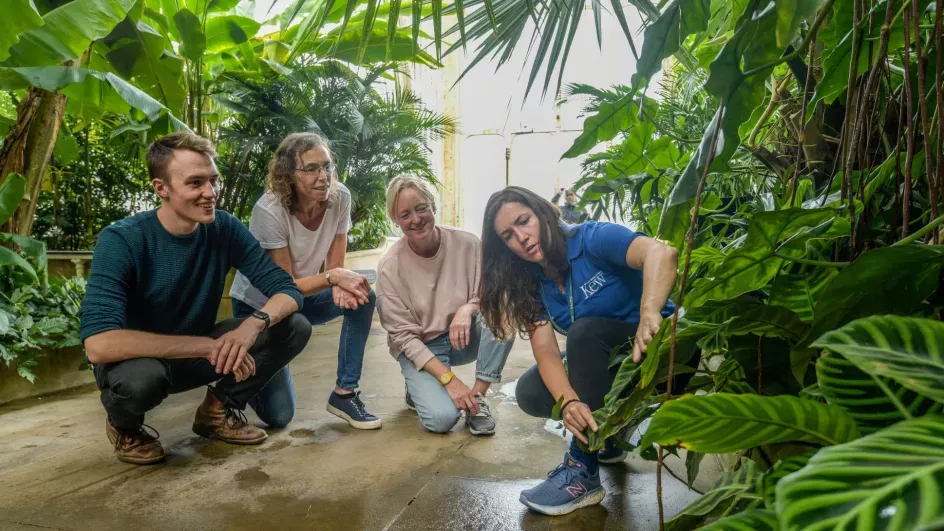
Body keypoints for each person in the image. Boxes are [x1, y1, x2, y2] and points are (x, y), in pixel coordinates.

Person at [80, 132, 312, 465]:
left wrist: (252, 325)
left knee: (294, 326)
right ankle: (126, 428)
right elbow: (99, 345)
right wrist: (206, 347)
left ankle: (217, 411)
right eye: (195, 183)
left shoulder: (224, 228)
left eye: (213, 181)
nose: (210, 193)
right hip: (137, 364)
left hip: (199, 354)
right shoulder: (121, 240)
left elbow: (286, 289)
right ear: (162, 188)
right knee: (141, 381)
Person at [479, 186, 690, 516]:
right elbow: (546, 349)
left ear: (544, 213)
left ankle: (582, 470)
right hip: (613, 364)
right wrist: (570, 401)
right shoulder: (531, 280)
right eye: (508, 235)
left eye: (524, 221)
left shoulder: (593, 238)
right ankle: (610, 431)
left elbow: (662, 253)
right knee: (531, 391)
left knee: (584, 333)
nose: (520, 237)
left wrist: (650, 310)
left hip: (663, 356)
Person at [229, 133, 381, 430]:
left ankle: (345, 393)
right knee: (279, 416)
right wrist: (331, 278)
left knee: (363, 294)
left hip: (304, 295)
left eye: (327, 167)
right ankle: (238, 375)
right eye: (311, 169)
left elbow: (335, 269)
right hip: (261, 306)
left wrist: (339, 282)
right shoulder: (270, 210)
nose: (323, 177)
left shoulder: (340, 197)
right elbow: (283, 288)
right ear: (289, 175)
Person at [376, 175, 514, 435]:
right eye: (405, 214)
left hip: (460, 337)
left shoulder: (468, 244)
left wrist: (468, 308)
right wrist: (449, 381)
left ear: (432, 206)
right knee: (441, 420)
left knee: (504, 308)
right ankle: (418, 385)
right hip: (421, 345)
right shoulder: (389, 267)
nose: (416, 219)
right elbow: (404, 338)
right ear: (395, 220)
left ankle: (478, 400)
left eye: (421, 208)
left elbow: (491, 294)